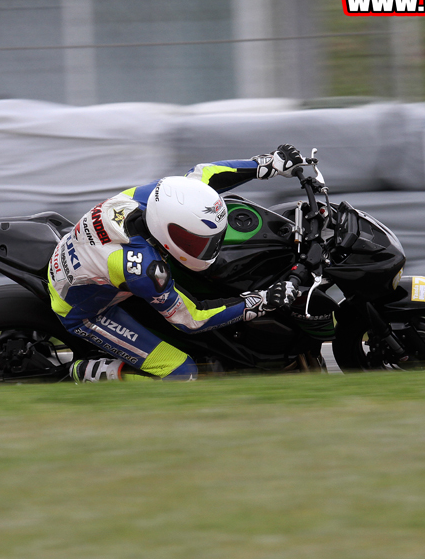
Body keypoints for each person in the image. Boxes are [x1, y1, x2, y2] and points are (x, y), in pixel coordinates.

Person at [48, 144, 309, 383]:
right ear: (165, 229)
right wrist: (259, 301)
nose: (208, 249)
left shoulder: (156, 196)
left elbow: (205, 174)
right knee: (182, 373)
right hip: (84, 311)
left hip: (86, 257)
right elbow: (190, 320)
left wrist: (268, 164)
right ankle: (88, 373)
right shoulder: (140, 268)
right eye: (196, 242)